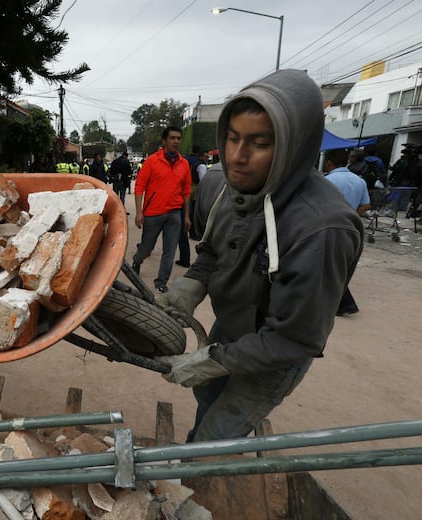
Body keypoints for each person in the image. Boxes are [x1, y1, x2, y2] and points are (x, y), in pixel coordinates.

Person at [156, 70, 364, 442]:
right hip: (231, 327)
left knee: (217, 434)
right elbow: (212, 251)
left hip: (276, 353)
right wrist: (190, 287)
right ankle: (196, 449)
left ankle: (202, 458)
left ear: (294, 145)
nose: (238, 156)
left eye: (260, 143)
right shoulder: (233, 187)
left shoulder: (321, 228)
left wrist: (213, 360)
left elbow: (295, 339)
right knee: (207, 397)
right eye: (233, 138)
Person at [132, 126, 191, 292]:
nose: (176, 141)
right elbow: (139, 186)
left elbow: (186, 191)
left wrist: (186, 216)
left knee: (170, 251)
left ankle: (161, 283)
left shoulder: (184, 164)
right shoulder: (152, 161)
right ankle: (137, 260)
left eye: (178, 138)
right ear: (164, 141)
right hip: (153, 214)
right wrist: (139, 212)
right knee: (146, 248)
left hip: (174, 214)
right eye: (172, 138)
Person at [323, 148, 370, 316]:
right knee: (341, 266)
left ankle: (345, 304)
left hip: (330, 227)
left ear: (329, 162)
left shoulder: (326, 181)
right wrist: (351, 214)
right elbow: (366, 205)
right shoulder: (360, 181)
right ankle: (343, 303)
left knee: (328, 266)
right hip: (353, 229)